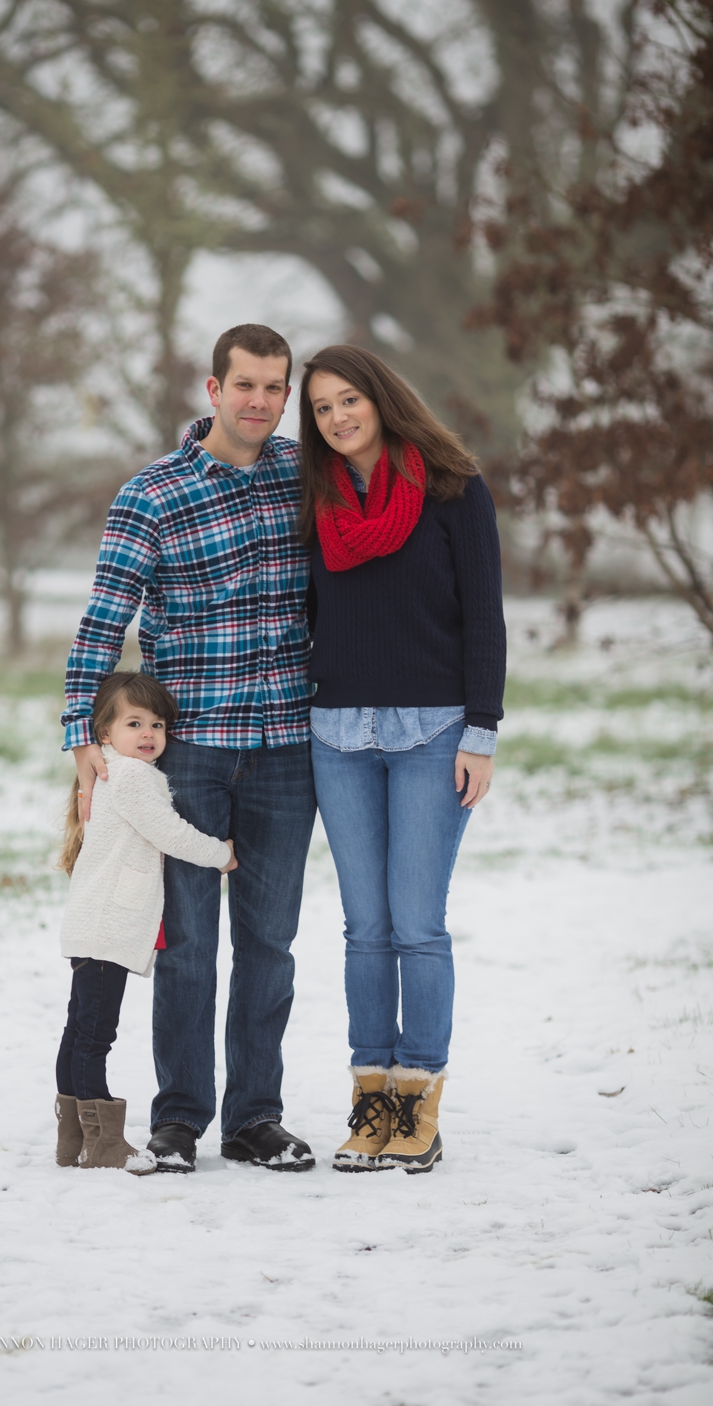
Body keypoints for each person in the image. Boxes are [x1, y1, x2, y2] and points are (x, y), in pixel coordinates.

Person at [62, 325, 317, 1174]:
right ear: (213, 390)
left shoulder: (302, 479)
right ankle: (180, 1120)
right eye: (245, 385)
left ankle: (255, 1117)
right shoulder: (153, 494)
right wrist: (80, 736)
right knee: (188, 946)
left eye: (275, 388)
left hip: (286, 746)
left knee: (271, 945)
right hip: (192, 756)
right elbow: (105, 620)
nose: (260, 402)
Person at [299, 344, 506, 1174]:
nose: (338, 417)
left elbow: (485, 619)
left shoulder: (455, 489)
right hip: (338, 737)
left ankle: (418, 1103)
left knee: (417, 925)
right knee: (365, 928)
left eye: (349, 399)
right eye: (320, 408)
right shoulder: (312, 499)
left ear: (381, 398)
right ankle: (369, 1102)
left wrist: (481, 733)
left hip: (432, 734)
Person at [54, 671, 237, 1174]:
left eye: (157, 724)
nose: (149, 734)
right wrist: (219, 854)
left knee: (79, 1032)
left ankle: (74, 1141)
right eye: (134, 723)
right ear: (104, 733)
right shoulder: (131, 776)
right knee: (94, 1036)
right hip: (108, 925)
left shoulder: (115, 771)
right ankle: (105, 1144)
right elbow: (169, 832)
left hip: (94, 924)